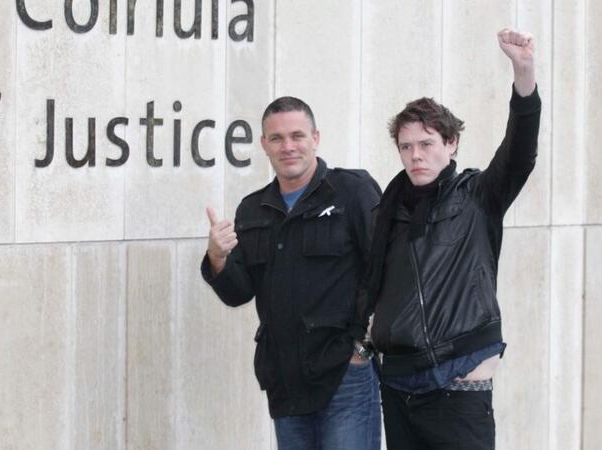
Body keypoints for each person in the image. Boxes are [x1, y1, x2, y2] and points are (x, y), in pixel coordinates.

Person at [365, 28, 541, 449]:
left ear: (451, 143)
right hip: (399, 382)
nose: (415, 155)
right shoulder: (389, 209)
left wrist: (524, 73)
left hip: (457, 383)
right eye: (406, 147)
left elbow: (521, 151)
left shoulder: (477, 195)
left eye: (426, 144)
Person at [201, 96, 382, 450]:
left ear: (316, 138)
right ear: (263, 145)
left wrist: (363, 345)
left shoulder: (352, 192)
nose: (288, 146)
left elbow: (384, 269)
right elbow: (238, 293)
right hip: (285, 378)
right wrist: (217, 257)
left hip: (345, 374)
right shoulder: (254, 208)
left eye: (297, 136)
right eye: (277, 138)